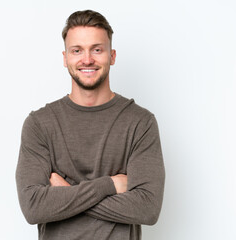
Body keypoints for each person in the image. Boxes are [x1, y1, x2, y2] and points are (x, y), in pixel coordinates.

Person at [16, 10, 165, 240]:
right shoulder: (39, 124)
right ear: (65, 58)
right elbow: (33, 207)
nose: (87, 59)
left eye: (97, 49)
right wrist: (110, 185)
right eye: (77, 51)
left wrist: (66, 194)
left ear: (112, 56)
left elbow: (148, 207)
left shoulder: (140, 123)